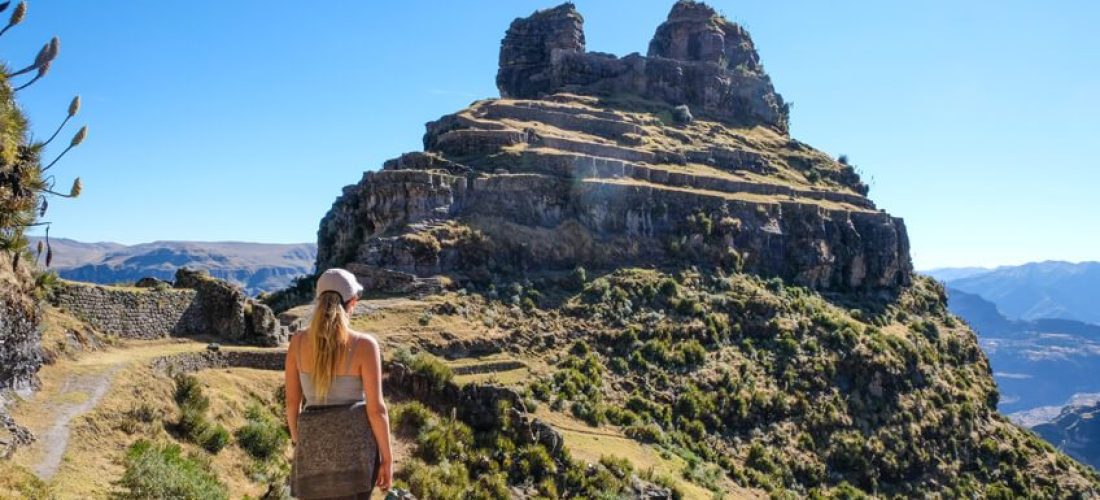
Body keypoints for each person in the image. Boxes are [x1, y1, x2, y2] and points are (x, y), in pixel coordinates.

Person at [285, 268, 393, 499]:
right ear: (352, 302)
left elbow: (292, 404)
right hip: (356, 456)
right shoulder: (364, 345)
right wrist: (387, 459)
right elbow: (376, 410)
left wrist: (300, 442)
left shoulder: (298, 342)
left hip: (312, 452)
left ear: (318, 300)